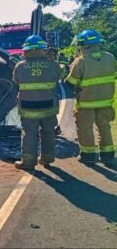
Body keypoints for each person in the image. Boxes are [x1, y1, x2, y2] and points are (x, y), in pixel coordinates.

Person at [66, 30, 115, 166]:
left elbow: (70, 84)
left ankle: (88, 156)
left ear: (83, 44)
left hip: (86, 103)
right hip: (105, 102)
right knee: (104, 127)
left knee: (85, 129)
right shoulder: (110, 57)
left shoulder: (80, 61)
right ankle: (108, 155)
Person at [13, 35, 62, 170]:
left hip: (28, 108)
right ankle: (47, 159)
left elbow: (16, 82)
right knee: (48, 132)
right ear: (43, 49)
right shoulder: (53, 65)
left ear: (26, 50)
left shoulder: (20, 66)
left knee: (29, 134)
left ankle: (28, 162)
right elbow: (60, 76)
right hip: (48, 107)